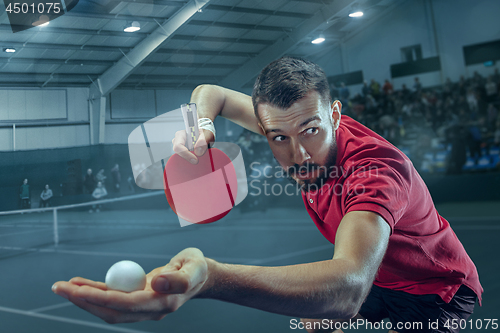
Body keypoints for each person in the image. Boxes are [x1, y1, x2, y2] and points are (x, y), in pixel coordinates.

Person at [53, 57, 482, 333]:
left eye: (310, 131)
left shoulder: (374, 170)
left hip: (436, 296)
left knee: (332, 306)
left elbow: (349, 285)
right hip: (380, 280)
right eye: (278, 136)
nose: (296, 155)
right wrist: (202, 127)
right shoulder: (292, 132)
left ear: (335, 115)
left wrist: (212, 279)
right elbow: (213, 93)